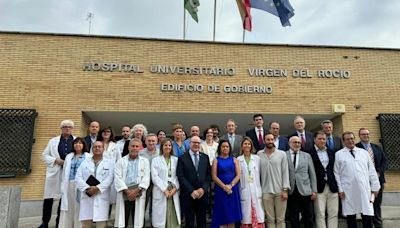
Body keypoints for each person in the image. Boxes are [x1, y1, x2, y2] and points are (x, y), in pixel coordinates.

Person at [335, 131, 380, 228]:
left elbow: (371, 171)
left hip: (364, 189)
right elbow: (337, 173)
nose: (350, 141)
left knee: (367, 214)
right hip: (348, 190)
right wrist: (340, 189)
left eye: (352, 138)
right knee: (351, 215)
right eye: (347, 139)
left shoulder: (363, 153)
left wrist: (375, 187)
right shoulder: (339, 154)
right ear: (343, 141)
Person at [39, 120, 75, 228]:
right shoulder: (53, 141)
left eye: (69, 127)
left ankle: (59, 222)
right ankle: (45, 222)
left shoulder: (76, 140)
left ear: (72, 129)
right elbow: (44, 155)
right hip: (54, 172)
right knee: (48, 198)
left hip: (68, 173)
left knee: (64, 198)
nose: (67, 128)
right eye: (65, 127)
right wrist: (56, 160)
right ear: (61, 128)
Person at [75, 141, 114, 228]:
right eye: (95, 147)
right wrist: (87, 188)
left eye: (99, 147)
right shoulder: (85, 162)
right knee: (85, 224)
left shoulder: (110, 163)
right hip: (87, 194)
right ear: (92, 149)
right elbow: (78, 177)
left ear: (103, 149)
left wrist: (98, 188)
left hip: (101, 194)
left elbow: (110, 178)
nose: (97, 148)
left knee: (101, 224)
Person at [114, 138, 150, 228]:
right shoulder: (121, 161)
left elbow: (146, 177)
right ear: (129, 147)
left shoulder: (145, 161)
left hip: (138, 193)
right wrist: (127, 191)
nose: (134, 148)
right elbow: (117, 177)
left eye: (136, 146)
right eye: (132, 146)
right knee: (123, 219)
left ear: (140, 148)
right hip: (125, 193)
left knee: (137, 219)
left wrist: (137, 190)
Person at [177, 136, 211, 228]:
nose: (196, 144)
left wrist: (203, 189)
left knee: (202, 222)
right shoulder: (182, 158)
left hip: (202, 195)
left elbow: (208, 175)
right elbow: (180, 176)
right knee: (189, 222)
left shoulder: (205, 157)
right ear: (189, 143)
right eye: (194, 142)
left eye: (198, 143)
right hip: (188, 195)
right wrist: (191, 191)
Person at [356, 128, 387, 228]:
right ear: (359, 135)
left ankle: (378, 224)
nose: (366, 136)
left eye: (367, 134)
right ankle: (368, 224)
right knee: (365, 204)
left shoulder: (377, 147)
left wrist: (378, 172)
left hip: (377, 181)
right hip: (363, 182)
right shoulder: (356, 148)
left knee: (376, 204)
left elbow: (384, 161)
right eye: (363, 134)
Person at [258, 134, 289, 228]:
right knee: (270, 220)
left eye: (272, 139)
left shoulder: (282, 154)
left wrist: (285, 190)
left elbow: (285, 172)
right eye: (268, 139)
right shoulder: (259, 154)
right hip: (265, 191)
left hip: (280, 191)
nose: (270, 141)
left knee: (281, 219)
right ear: (264, 141)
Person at [309, 131, 338, 228]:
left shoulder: (331, 152)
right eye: (319, 139)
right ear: (314, 140)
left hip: (332, 186)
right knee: (320, 213)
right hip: (318, 187)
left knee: (333, 213)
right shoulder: (309, 153)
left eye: (324, 139)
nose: (322, 141)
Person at [59, 137, 91, 228]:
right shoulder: (69, 156)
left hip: (82, 185)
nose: (78, 145)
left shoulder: (88, 156)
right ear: (73, 145)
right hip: (69, 184)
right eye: (76, 143)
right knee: (69, 206)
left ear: (84, 145)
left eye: (80, 143)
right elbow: (65, 171)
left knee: (80, 207)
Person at [286, 136, 317, 228]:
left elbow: (312, 173)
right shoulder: (284, 155)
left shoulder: (307, 156)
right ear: (289, 143)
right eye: (294, 142)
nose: (297, 144)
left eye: (299, 142)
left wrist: (314, 190)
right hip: (291, 191)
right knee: (293, 218)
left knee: (308, 217)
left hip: (305, 190)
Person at [211, 139, 242, 228]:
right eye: (223, 146)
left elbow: (238, 175)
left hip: (233, 191)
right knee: (222, 215)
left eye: (227, 146)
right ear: (220, 148)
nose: (225, 148)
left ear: (229, 148)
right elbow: (214, 176)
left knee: (231, 216)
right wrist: (224, 186)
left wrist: (231, 185)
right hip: (221, 191)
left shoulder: (234, 160)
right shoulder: (216, 160)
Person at [151, 138, 181, 228]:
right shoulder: (155, 160)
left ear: (172, 147)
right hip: (161, 190)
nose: (168, 147)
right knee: (160, 218)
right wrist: (164, 189)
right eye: (165, 145)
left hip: (173, 190)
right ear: (161, 147)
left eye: (169, 145)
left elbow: (179, 175)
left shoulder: (176, 160)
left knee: (173, 213)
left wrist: (175, 188)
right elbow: (155, 177)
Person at [238, 137, 265, 228]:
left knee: (259, 215)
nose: (247, 145)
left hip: (256, 190)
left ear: (251, 146)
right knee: (246, 217)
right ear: (242, 146)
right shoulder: (238, 159)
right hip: (244, 190)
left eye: (248, 144)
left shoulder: (257, 158)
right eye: (245, 144)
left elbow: (261, 174)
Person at [139, 133, 160, 222]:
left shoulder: (160, 152)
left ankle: (154, 222)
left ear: (157, 142)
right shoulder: (140, 153)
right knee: (143, 203)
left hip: (157, 182)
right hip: (144, 182)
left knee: (156, 203)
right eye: (149, 141)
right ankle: (141, 222)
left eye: (153, 141)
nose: (151, 143)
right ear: (145, 141)